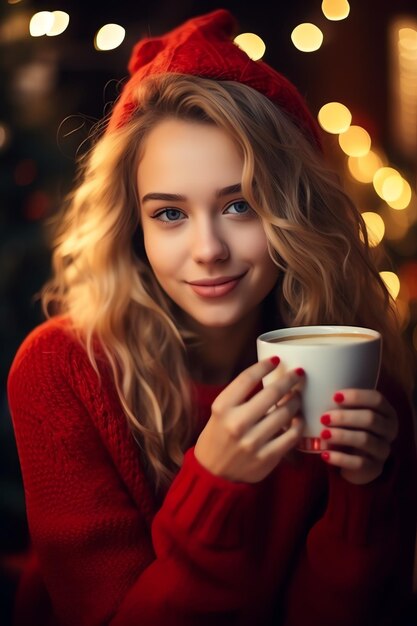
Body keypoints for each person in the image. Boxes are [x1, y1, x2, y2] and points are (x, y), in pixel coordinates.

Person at [7, 8, 417, 626]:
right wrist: (217, 482)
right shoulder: (63, 369)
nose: (207, 250)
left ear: (292, 212)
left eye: (239, 205)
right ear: (132, 225)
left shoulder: (360, 385)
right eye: (169, 213)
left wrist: (363, 500)